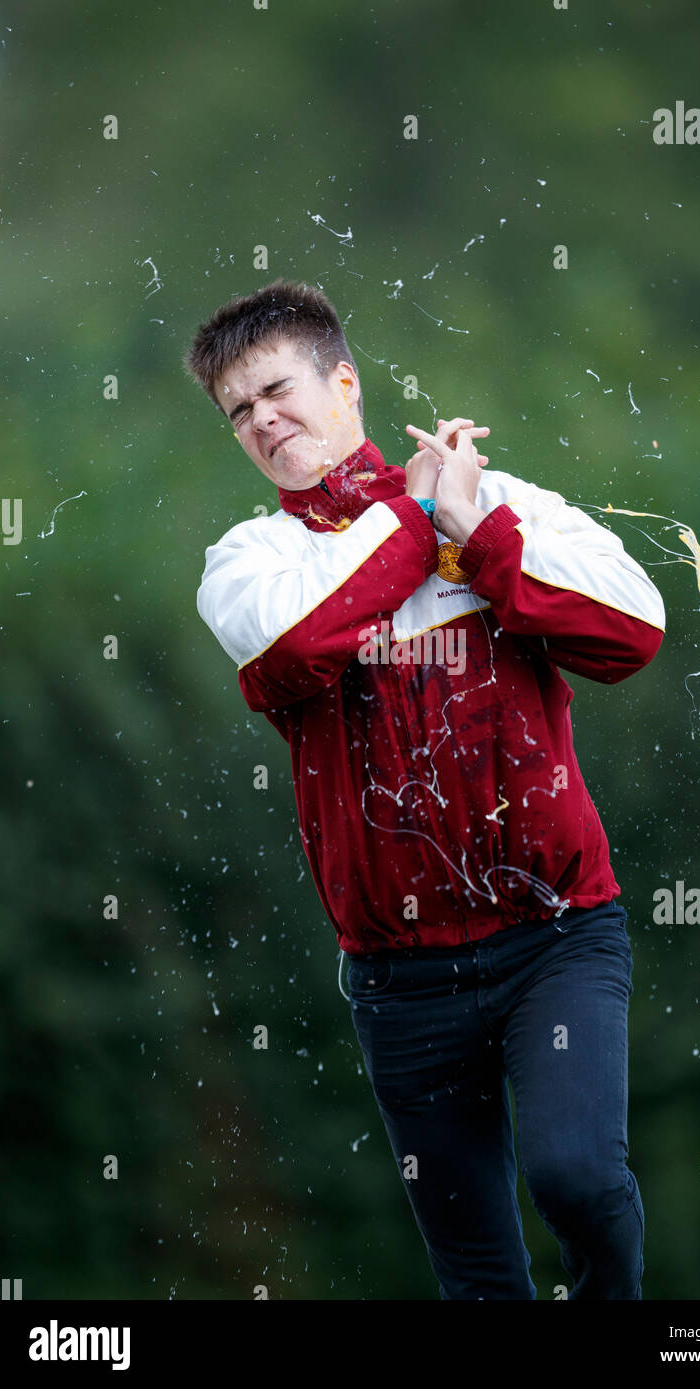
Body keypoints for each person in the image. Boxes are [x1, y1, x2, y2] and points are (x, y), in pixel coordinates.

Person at [185, 279, 666, 1299]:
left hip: (557, 939)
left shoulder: (494, 505)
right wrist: (418, 519)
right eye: (238, 411)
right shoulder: (250, 561)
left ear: (343, 385)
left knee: (576, 1178)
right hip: (399, 981)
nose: (262, 419)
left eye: (275, 390)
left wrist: (481, 539)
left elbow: (633, 632)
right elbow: (295, 645)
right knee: (478, 1276)